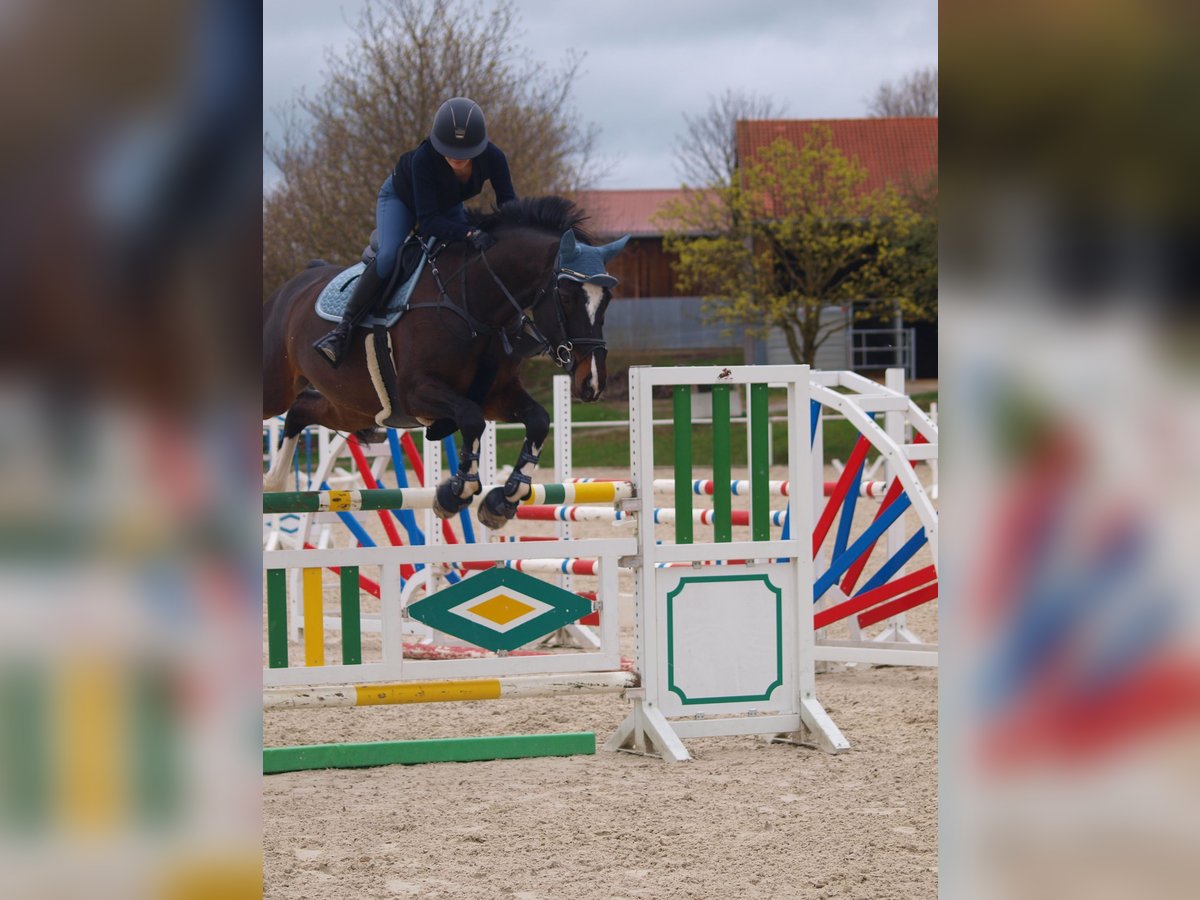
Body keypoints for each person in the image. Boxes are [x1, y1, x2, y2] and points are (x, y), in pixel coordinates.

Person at [313, 97, 518, 367]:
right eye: (449, 149)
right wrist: (470, 233)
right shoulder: (424, 159)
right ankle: (342, 332)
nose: (456, 156)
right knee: (388, 256)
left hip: (445, 204)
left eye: (464, 150)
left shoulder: (494, 158)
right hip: (401, 200)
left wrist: (514, 234)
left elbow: (509, 205)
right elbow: (430, 222)